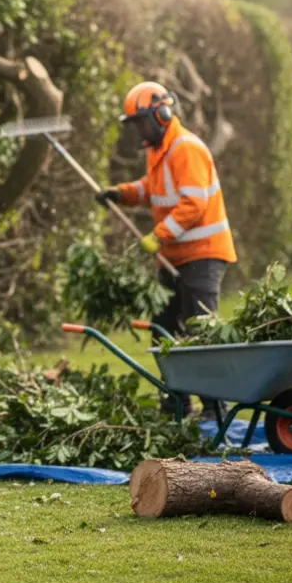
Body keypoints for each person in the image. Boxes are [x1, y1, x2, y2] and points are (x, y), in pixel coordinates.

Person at [96, 82, 237, 419]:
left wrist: (157, 236)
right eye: (135, 125)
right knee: (163, 329)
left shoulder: (185, 148)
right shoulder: (157, 150)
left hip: (203, 254)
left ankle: (215, 407)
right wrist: (122, 193)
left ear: (162, 113)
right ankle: (175, 402)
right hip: (173, 257)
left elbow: (193, 204)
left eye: (141, 122)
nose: (139, 131)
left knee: (200, 329)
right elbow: (152, 189)